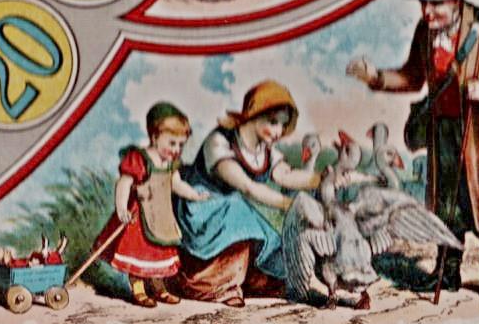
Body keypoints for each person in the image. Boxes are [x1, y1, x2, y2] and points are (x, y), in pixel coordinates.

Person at [346, 0, 479, 305]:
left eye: (435, 4)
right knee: (447, 205)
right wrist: (375, 77)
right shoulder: (425, 32)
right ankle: (447, 273)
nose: (427, 11)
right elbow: (413, 77)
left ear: (456, 1)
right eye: (424, 3)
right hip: (443, 131)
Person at [173, 80, 320, 306]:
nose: (279, 131)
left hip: (229, 209)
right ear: (253, 115)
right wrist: (291, 205)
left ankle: (256, 280)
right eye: (273, 122)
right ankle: (218, 286)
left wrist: (321, 178)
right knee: (240, 211)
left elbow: (286, 175)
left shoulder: (264, 149)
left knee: (248, 220)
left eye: (283, 125)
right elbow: (247, 187)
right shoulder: (219, 141)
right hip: (200, 207)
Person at [94, 102, 209, 307]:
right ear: (155, 137)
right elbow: (124, 183)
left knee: (160, 253)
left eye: (180, 145)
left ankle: (159, 289)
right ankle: (139, 291)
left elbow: (176, 184)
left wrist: (194, 195)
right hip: (140, 217)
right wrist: (121, 208)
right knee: (139, 254)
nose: (176, 149)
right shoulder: (140, 159)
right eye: (172, 143)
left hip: (162, 216)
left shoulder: (170, 163)